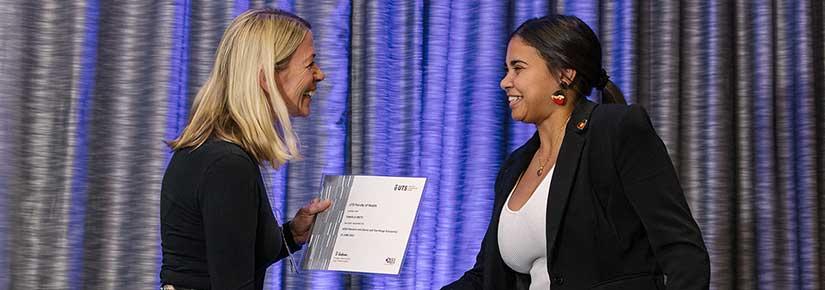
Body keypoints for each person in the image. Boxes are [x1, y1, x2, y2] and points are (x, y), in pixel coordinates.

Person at [444, 15, 709, 290]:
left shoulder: (615, 130)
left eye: (517, 68)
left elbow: (683, 253)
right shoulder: (514, 167)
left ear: (564, 74)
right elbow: (486, 276)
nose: (505, 82)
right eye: (506, 69)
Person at [159, 9, 330, 290]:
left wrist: (293, 234)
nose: (320, 75)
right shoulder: (227, 165)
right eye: (310, 64)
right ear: (267, 79)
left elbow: (230, 257)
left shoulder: (211, 151)